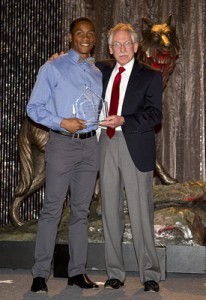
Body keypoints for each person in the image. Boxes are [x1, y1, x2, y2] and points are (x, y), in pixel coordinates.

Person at [26, 17, 102, 293]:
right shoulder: (53, 67)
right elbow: (33, 108)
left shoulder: (96, 72)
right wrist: (62, 122)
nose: (85, 37)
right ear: (70, 37)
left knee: (81, 212)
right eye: (79, 33)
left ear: (94, 39)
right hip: (62, 144)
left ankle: (76, 272)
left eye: (90, 33)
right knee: (52, 210)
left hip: (90, 147)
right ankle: (39, 274)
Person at [96, 23, 163, 292]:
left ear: (136, 46)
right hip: (105, 146)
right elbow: (76, 59)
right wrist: (58, 57)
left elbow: (155, 115)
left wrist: (125, 119)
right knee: (109, 211)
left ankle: (150, 275)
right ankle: (114, 273)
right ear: (110, 49)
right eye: (116, 44)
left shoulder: (150, 75)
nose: (122, 49)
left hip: (134, 143)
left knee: (140, 214)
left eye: (127, 44)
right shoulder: (99, 69)